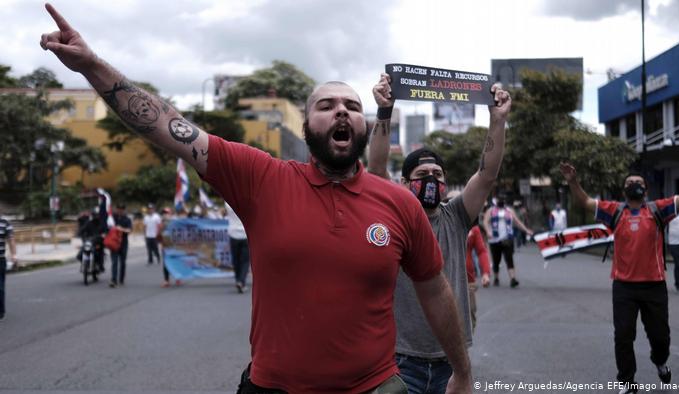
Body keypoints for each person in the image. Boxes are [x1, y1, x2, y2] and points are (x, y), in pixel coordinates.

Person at [40, 6, 472, 392]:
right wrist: (91, 66)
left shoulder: (399, 204)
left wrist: (463, 372)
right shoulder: (261, 178)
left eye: (351, 105)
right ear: (306, 125)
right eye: (326, 105)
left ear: (363, 123)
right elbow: (167, 125)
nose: (341, 111)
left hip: (376, 386)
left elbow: (435, 290)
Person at [368, 73, 510, 393]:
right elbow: (375, 171)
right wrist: (384, 111)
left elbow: (487, 174)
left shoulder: (457, 215)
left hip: (451, 360)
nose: (431, 179)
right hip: (401, 360)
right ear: (405, 183)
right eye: (422, 174)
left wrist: (497, 121)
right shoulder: (396, 215)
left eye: (437, 174)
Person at [560, 162, 679, 393]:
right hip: (624, 287)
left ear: (646, 190)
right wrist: (572, 181)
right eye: (629, 183)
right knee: (623, 337)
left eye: (638, 183)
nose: (633, 185)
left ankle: (660, 361)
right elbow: (584, 202)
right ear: (623, 190)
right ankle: (627, 381)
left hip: (654, 286)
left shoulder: (658, 209)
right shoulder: (614, 211)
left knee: (660, 338)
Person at [482, 195, 533, 288]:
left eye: (502, 200)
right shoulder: (491, 210)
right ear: (496, 201)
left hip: (507, 239)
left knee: (509, 259)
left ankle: (513, 279)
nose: (501, 201)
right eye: (499, 200)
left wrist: (526, 230)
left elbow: (517, 222)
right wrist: (488, 231)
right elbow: (485, 221)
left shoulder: (509, 211)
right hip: (494, 239)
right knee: (496, 260)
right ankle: (496, 277)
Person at [466, 225, 490, 333]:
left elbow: (481, 251)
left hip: (468, 280)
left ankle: (464, 348)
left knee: (469, 320)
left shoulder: (473, 228)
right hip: (444, 280)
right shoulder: (442, 220)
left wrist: (485, 273)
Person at [225, 203, 250, 293]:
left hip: (233, 233)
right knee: (245, 261)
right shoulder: (246, 202)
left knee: (236, 260)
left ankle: (238, 279)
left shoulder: (228, 203)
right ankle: (241, 281)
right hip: (245, 234)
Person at [109, 203, 132, 288]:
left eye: (121, 209)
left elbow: (129, 230)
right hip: (114, 243)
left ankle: (121, 278)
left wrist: (121, 229)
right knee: (114, 262)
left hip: (123, 243)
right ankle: (113, 279)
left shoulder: (127, 219)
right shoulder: (112, 219)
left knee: (122, 262)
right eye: (118, 208)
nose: (120, 210)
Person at [78, 206, 106, 272]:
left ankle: (100, 265)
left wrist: (104, 235)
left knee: (100, 252)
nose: (96, 216)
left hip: (98, 242)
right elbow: (82, 229)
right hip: (89, 241)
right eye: (94, 215)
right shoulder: (89, 223)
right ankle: (84, 264)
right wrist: (79, 234)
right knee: (80, 254)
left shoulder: (102, 223)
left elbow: (106, 231)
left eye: (97, 215)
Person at [0, 215, 17, 321]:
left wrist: (14, 255)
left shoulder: (5, 222)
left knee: (0, 287)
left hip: (0, 259)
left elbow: (11, 239)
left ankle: (0, 311)